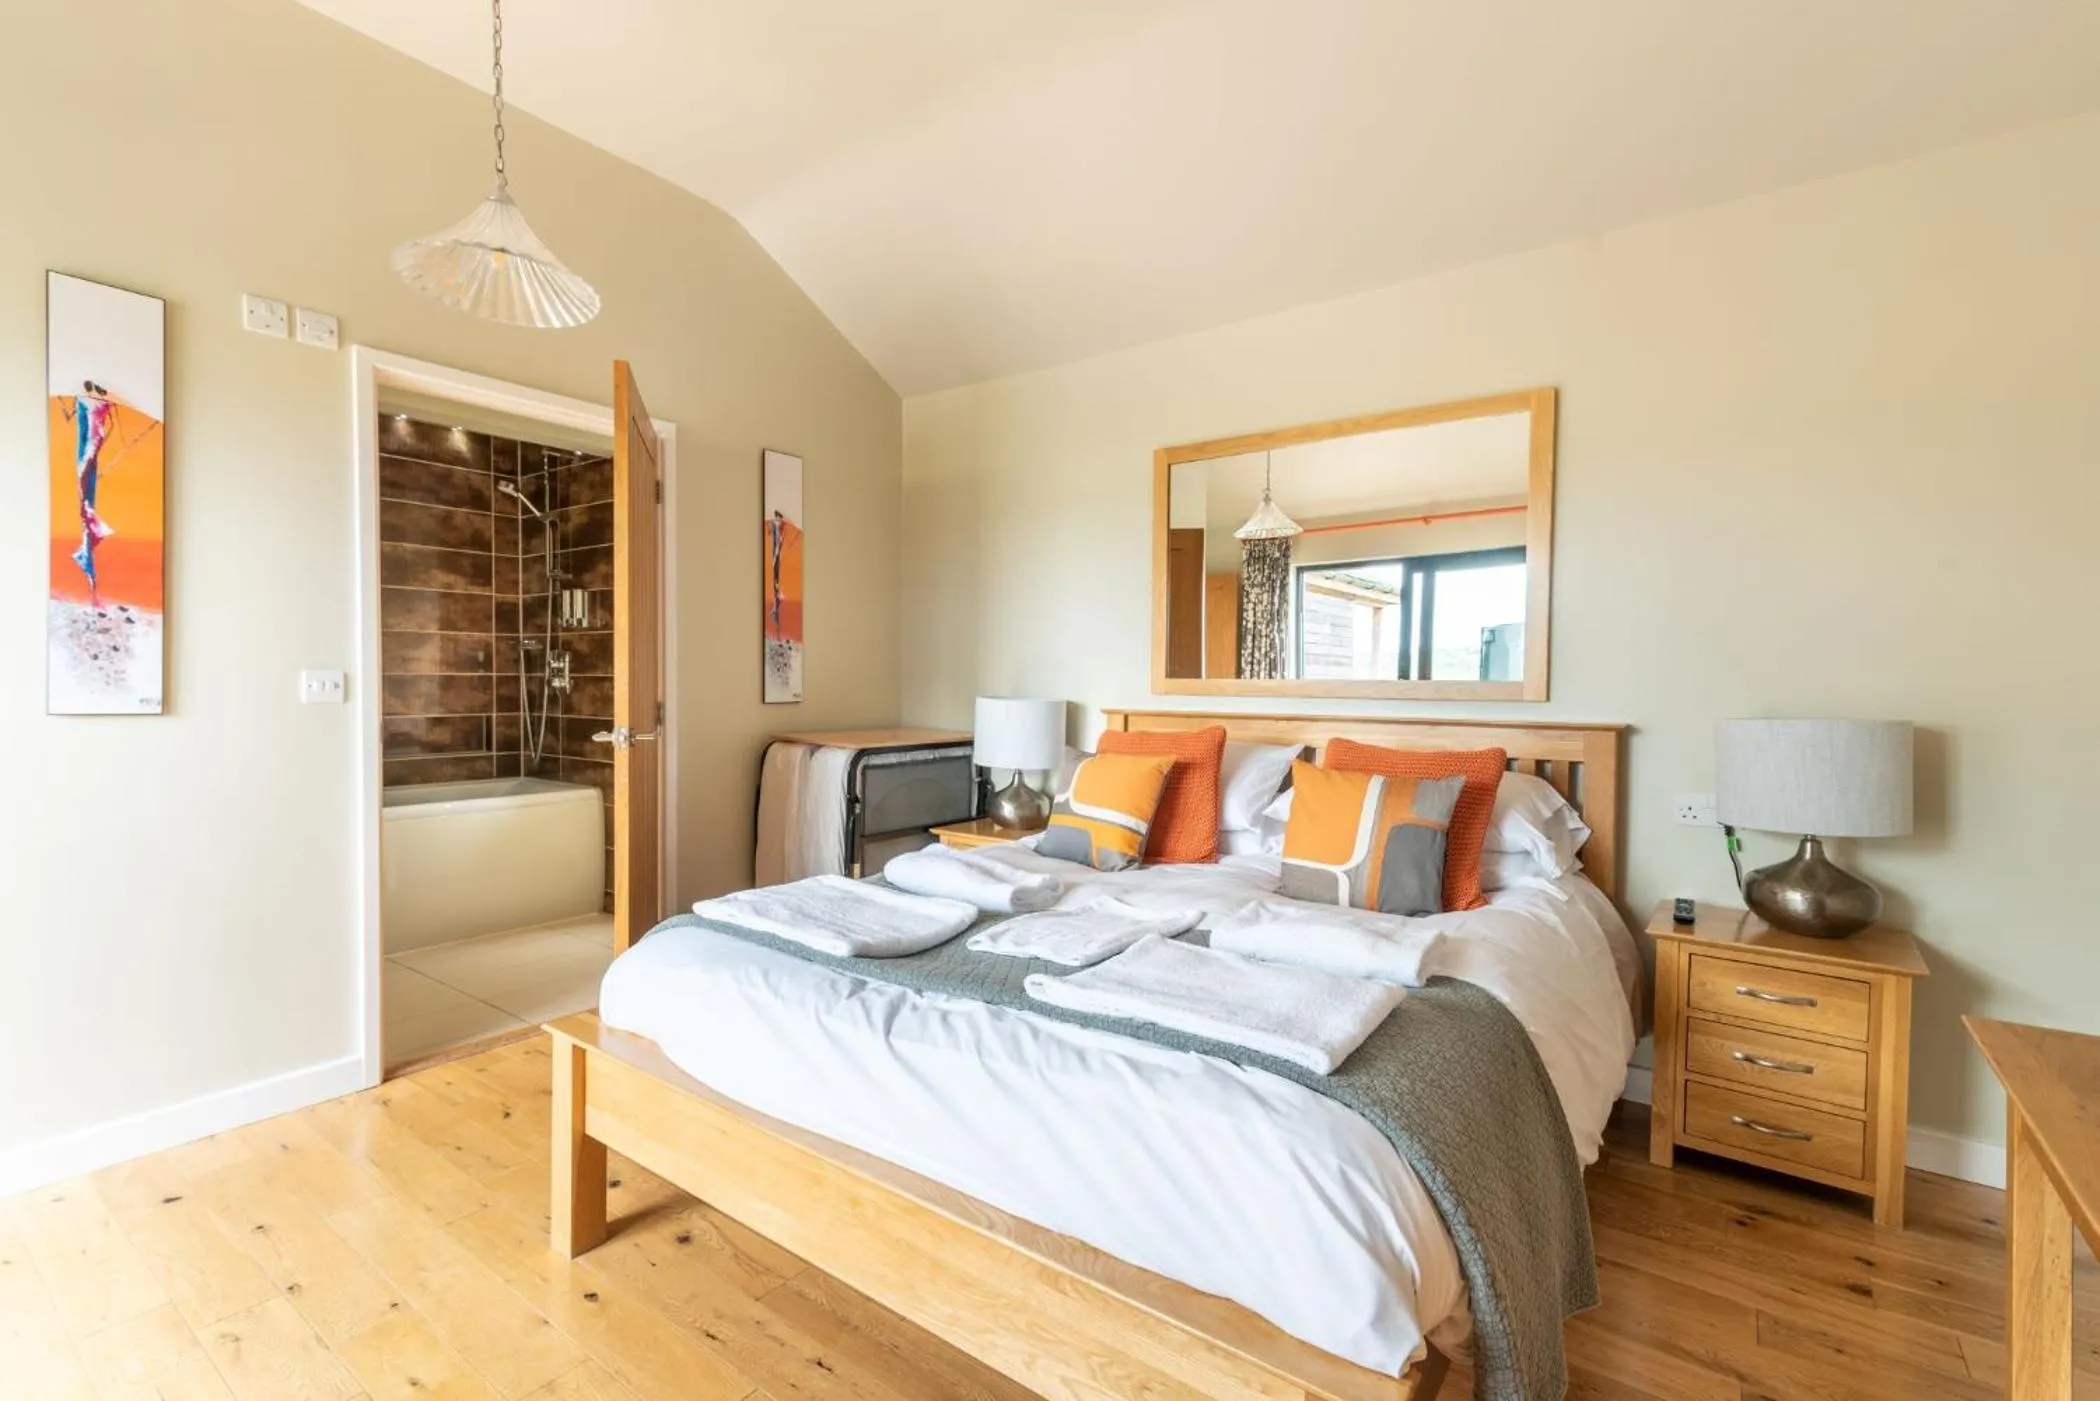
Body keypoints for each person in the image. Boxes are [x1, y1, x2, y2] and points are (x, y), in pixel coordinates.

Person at [68, 381, 118, 606]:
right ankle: (93, 593)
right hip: (87, 465)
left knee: (85, 486)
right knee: (85, 482)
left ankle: (93, 593)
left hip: (87, 467)